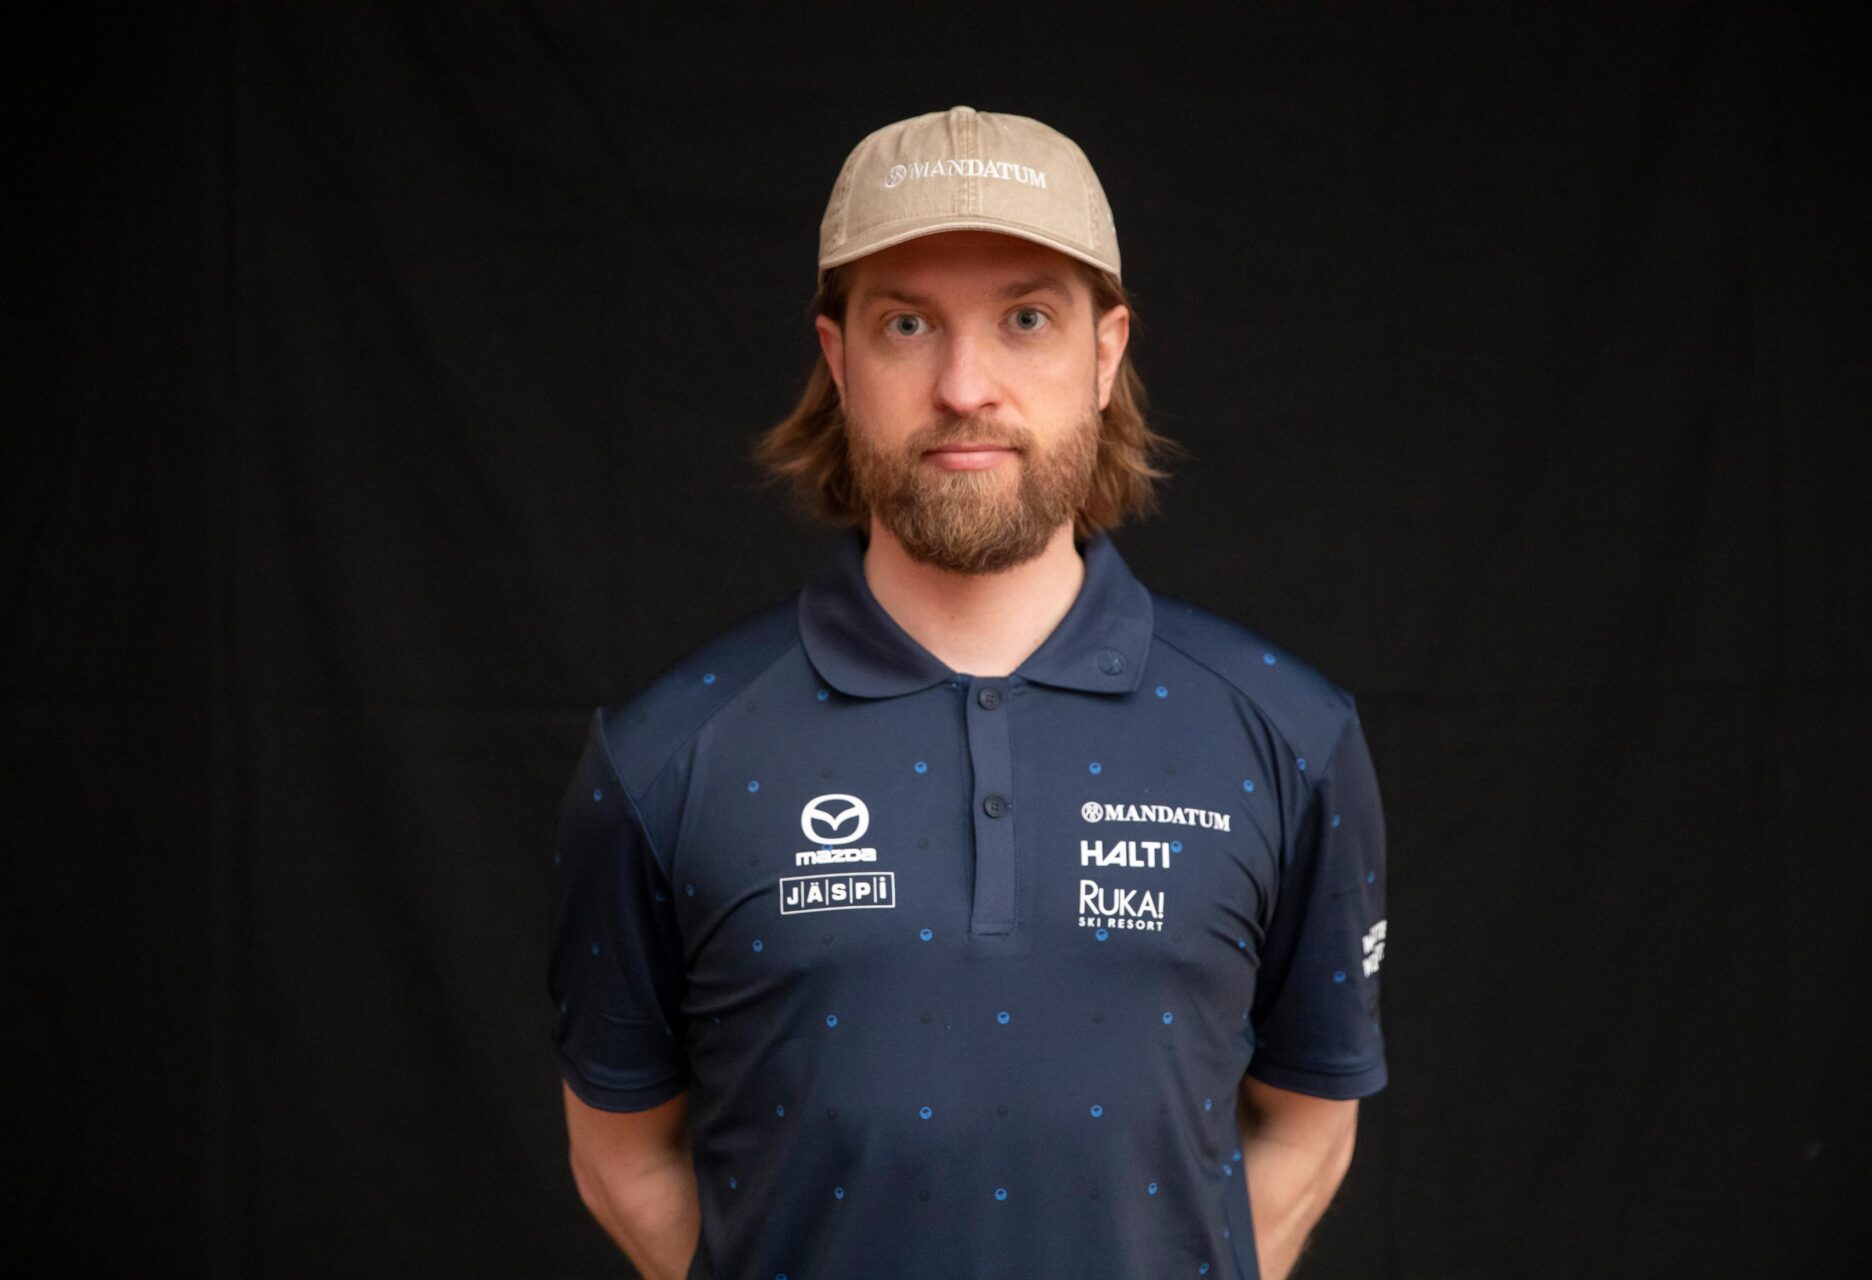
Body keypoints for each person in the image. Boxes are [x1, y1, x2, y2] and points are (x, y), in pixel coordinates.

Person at [548, 105, 1389, 1280]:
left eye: (1026, 318)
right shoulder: (666, 757)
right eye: (907, 323)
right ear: (839, 358)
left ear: (1106, 353)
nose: (964, 385)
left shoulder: (1289, 735)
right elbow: (620, 1154)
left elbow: (1310, 1123)